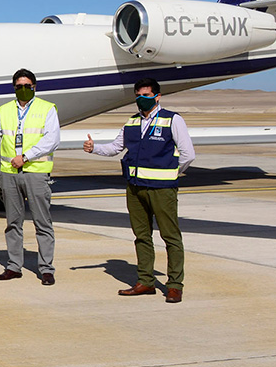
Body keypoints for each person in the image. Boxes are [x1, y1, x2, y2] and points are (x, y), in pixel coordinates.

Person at [83, 78, 196, 303]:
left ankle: (175, 285)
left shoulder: (172, 120)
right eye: (138, 96)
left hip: (162, 189)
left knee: (170, 236)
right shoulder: (132, 122)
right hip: (135, 188)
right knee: (142, 236)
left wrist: (171, 173)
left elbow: (188, 154)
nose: (142, 99)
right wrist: (94, 148)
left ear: (157, 97)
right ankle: (145, 281)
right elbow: (115, 147)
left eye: (146, 95)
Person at [0, 69, 60, 285]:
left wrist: (25, 157)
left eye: (27, 86)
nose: (23, 89)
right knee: (13, 223)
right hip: (10, 173)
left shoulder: (47, 109)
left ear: (34, 87)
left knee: (42, 222)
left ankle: (46, 269)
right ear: (14, 88)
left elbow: (52, 140)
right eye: (19, 86)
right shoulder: (4, 110)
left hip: (35, 171)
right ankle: (14, 266)